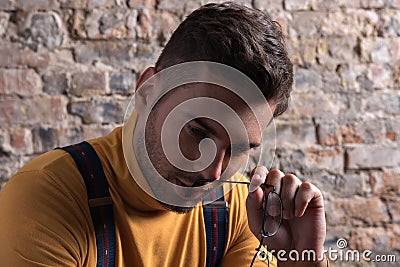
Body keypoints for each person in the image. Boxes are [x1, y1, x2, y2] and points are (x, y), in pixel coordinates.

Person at [0, 2, 328, 266]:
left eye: (241, 148)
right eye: (198, 131)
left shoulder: (238, 207)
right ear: (147, 92)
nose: (212, 172)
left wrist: (302, 262)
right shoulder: (50, 197)